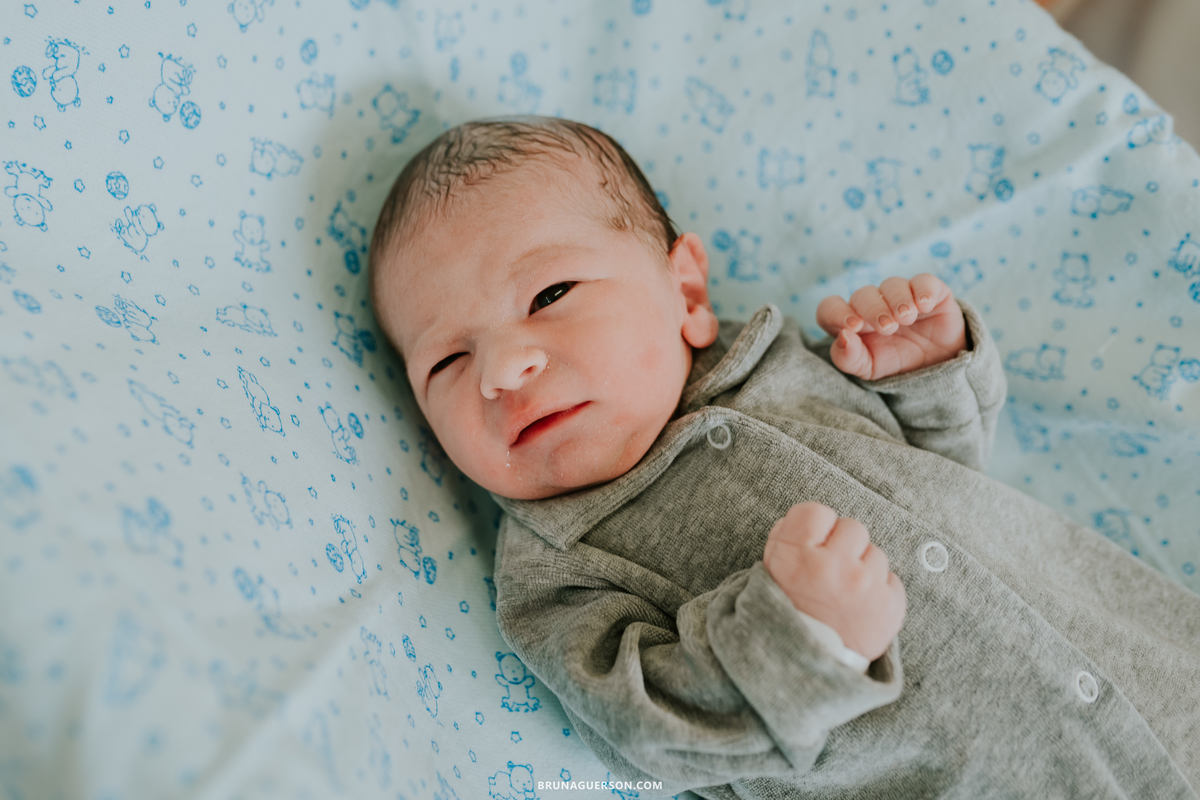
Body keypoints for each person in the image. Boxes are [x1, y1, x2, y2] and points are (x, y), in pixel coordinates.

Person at [369, 116, 1200, 799]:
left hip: (1157, 673)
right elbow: (651, 733)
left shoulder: (785, 367)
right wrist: (806, 641)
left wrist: (929, 374)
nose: (504, 369)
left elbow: (946, 470)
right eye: (448, 362)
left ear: (685, 294)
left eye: (549, 296)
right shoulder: (557, 575)